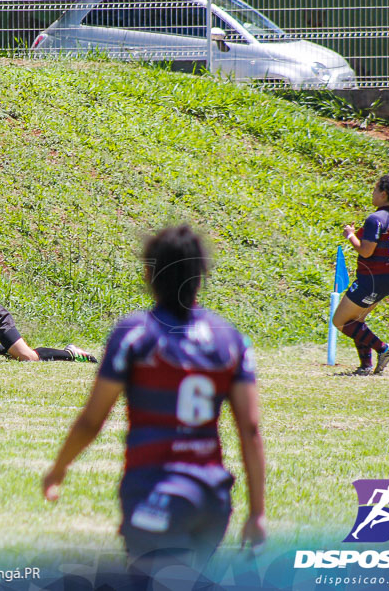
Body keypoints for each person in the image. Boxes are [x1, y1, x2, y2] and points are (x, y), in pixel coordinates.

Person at [41, 225, 266, 579]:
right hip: (212, 501)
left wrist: (58, 470)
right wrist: (257, 512)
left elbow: (92, 420)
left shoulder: (135, 335)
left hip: (155, 493)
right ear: (200, 276)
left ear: (148, 273)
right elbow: (249, 429)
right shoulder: (231, 340)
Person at [332, 175, 389, 376]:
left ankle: (383, 348)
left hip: (371, 280)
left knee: (340, 321)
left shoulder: (375, 219)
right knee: (356, 320)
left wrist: (350, 235)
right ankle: (365, 365)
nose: (373, 193)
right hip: (388, 278)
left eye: (375, 189)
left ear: (383, 194)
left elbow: (366, 251)